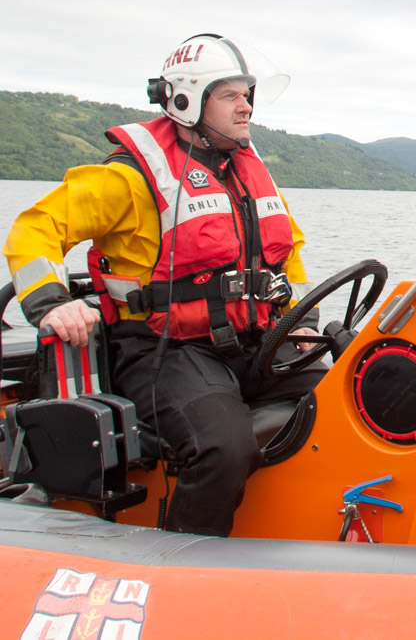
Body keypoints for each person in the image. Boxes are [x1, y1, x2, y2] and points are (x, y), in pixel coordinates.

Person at [3, 34, 322, 536]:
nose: (245, 107)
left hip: (253, 342)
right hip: (164, 351)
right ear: (186, 100)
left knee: (353, 391)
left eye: (248, 94)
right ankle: (180, 566)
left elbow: (289, 252)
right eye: (230, 94)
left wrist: (299, 323)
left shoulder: (244, 171)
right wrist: (51, 303)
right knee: (222, 448)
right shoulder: (130, 178)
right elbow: (35, 228)